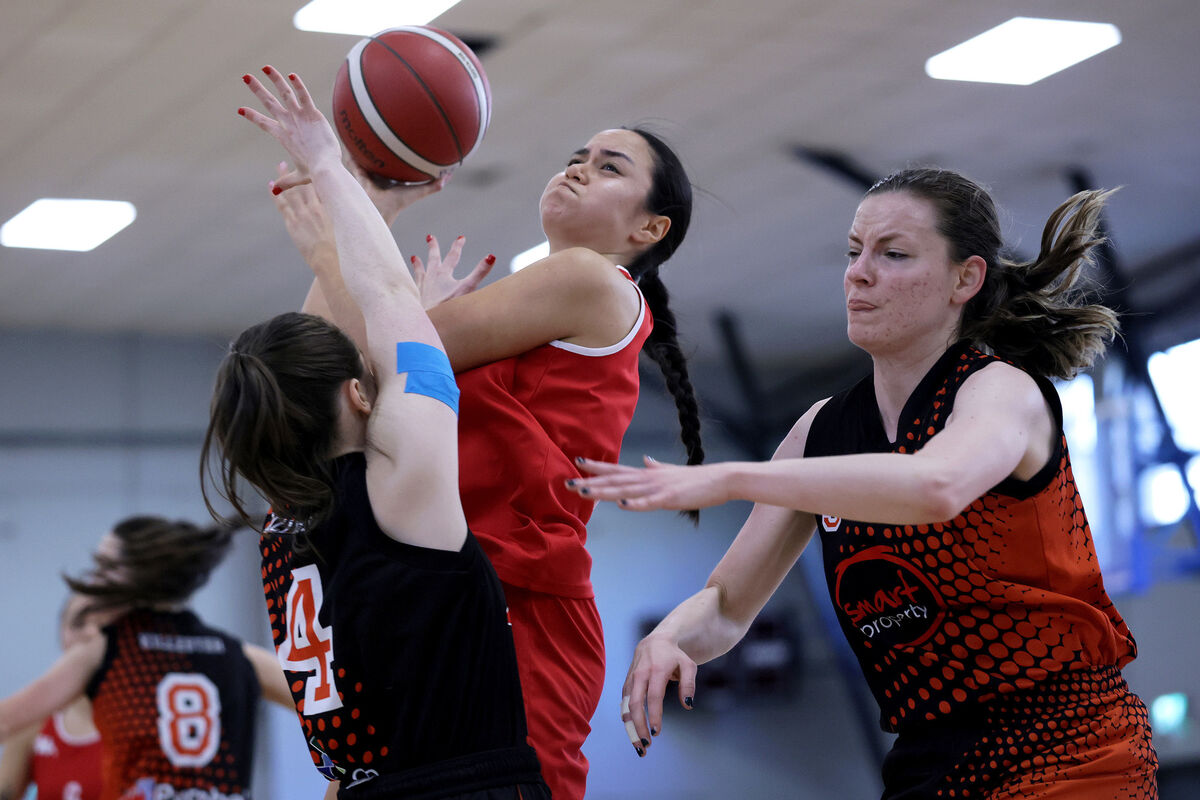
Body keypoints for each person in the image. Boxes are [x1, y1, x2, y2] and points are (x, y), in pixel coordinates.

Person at [568, 167, 1159, 798]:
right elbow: (727, 607)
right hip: (929, 760)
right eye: (854, 252)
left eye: (893, 254)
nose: (859, 272)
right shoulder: (820, 431)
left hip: (1067, 744)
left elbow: (937, 485)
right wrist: (668, 637)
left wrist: (738, 477)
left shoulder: (999, 390)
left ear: (967, 278)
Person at [268, 105, 704, 799]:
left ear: (647, 230)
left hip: (519, 599)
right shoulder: (533, 304)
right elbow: (332, 378)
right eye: (579, 154)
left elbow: (374, 352)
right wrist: (370, 217)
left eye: (609, 167)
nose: (579, 167)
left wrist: (340, 232)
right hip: (429, 578)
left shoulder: (593, 280)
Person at [203, 65, 551, 799]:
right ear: (360, 393)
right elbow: (383, 296)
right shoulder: (400, 486)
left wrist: (369, 216)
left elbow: (305, 362)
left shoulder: (281, 524)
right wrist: (329, 164)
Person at [0, 516, 293, 800]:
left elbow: (5, 721)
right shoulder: (241, 655)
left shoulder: (106, 651)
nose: (93, 578)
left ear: (143, 573)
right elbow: (333, 711)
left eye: (104, 566)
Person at [0, 594, 105, 800]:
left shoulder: (147, 722)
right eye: (78, 623)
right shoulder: (31, 722)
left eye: (102, 626)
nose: (90, 633)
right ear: (61, 634)